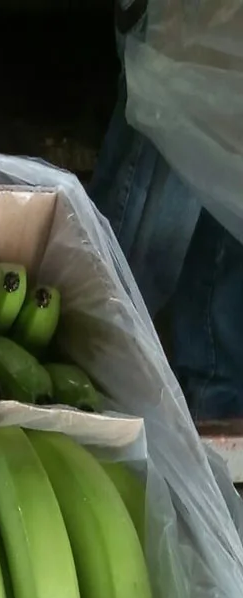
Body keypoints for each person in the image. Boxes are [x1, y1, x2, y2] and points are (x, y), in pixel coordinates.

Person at [89, 0, 243, 421]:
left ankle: (216, 408)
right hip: (189, 26)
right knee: (140, 231)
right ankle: (86, 380)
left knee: (227, 218)